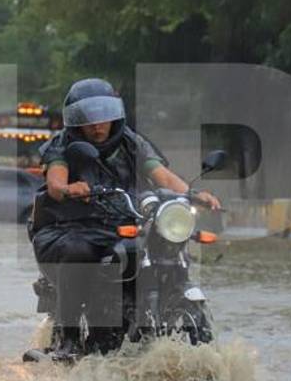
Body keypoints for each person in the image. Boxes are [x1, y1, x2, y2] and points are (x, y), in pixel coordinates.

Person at [29, 78, 220, 273]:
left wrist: (193, 195)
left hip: (126, 222)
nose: (97, 126)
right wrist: (68, 189)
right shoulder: (61, 144)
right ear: (77, 121)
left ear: (114, 115)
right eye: (89, 118)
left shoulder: (131, 142)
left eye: (103, 116)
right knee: (79, 253)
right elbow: (55, 182)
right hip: (74, 226)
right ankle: (75, 303)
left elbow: (162, 176)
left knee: (164, 246)